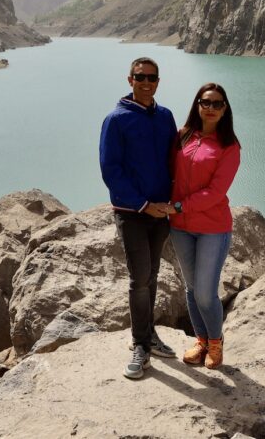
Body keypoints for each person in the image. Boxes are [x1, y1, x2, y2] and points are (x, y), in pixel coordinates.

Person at [99, 56, 179, 379]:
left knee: (153, 274)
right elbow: (111, 172)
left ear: (158, 81)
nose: (146, 83)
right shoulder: (116, 120)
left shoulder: (165, 117)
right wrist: (144, 204)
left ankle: (149, 335)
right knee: (139, 277)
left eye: (152, 78)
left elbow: (175, 161)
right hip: (133, 213)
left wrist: (171, 202)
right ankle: (140, 345)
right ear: (129, 79)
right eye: (140, 77)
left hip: (160, 212)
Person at [168, 82, 241, 370]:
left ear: (225, 110)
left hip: (212, 228)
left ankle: (216, 343)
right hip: (180, 227)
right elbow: (167, 172)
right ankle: (200, 342)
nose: (210, 108)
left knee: (204, 292)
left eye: (217, 103)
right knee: (190, 288)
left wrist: (179, 206)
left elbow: (216, 192)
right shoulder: (183, 136)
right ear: (197, 105)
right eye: (205, 102)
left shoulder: (229, 147)